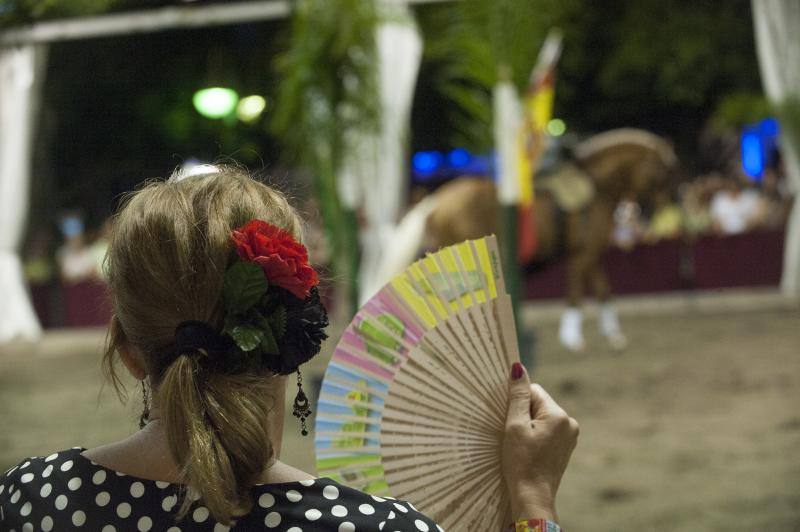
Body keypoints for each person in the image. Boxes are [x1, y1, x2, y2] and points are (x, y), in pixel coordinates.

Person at [0, 167, 578, 531]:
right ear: (295, 338)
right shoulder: (375, 527)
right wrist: (533, 500)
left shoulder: (34, 499)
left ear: (127, 349)